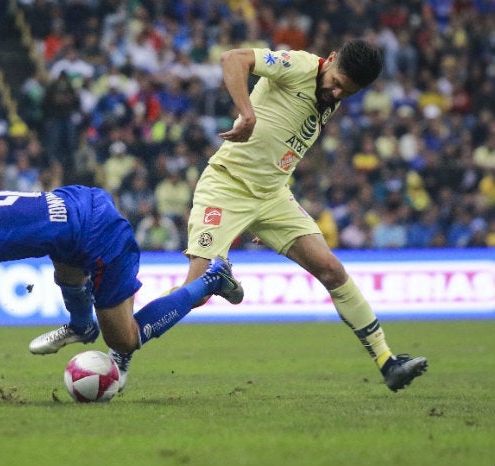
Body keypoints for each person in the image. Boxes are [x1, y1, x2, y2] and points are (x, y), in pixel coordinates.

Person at [115, 40, 428, 393]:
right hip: (227, 187)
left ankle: (387, 361)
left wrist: (266, 218)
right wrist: (246, 112)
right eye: (337, 81)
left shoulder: (330, 96)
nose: (337, 92)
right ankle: (123, 343)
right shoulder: (298, 66)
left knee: (331, 269)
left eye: (347, 92)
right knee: (197, 290)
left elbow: (283, 144)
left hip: (272, 196)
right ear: (333, 58)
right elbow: (232, 58)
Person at [0, 186, 242, 409]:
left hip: (99, 235)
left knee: (123, 338)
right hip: (79, 201)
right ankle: (80, 325)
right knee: (65, 268)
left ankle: (211, 279)